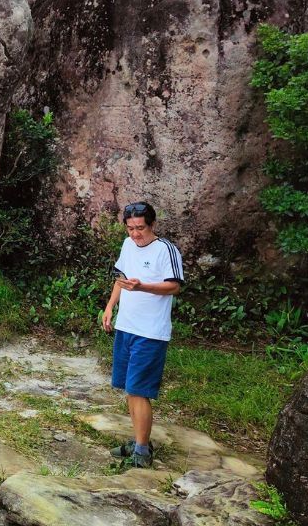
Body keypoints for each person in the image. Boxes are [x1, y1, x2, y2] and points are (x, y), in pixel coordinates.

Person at [102, 201, 184, 469]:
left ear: (152, 225)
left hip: (150, 332)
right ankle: (140, 441)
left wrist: (143, 286)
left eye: (140, 228)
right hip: (126, 326)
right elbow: (121, 278)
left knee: (140, 389)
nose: (135, 234)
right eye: (130, 228)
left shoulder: (166, 250)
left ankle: (142, 450)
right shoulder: (128, 246)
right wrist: (110, 306)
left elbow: (173, 287)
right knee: (129, 388)